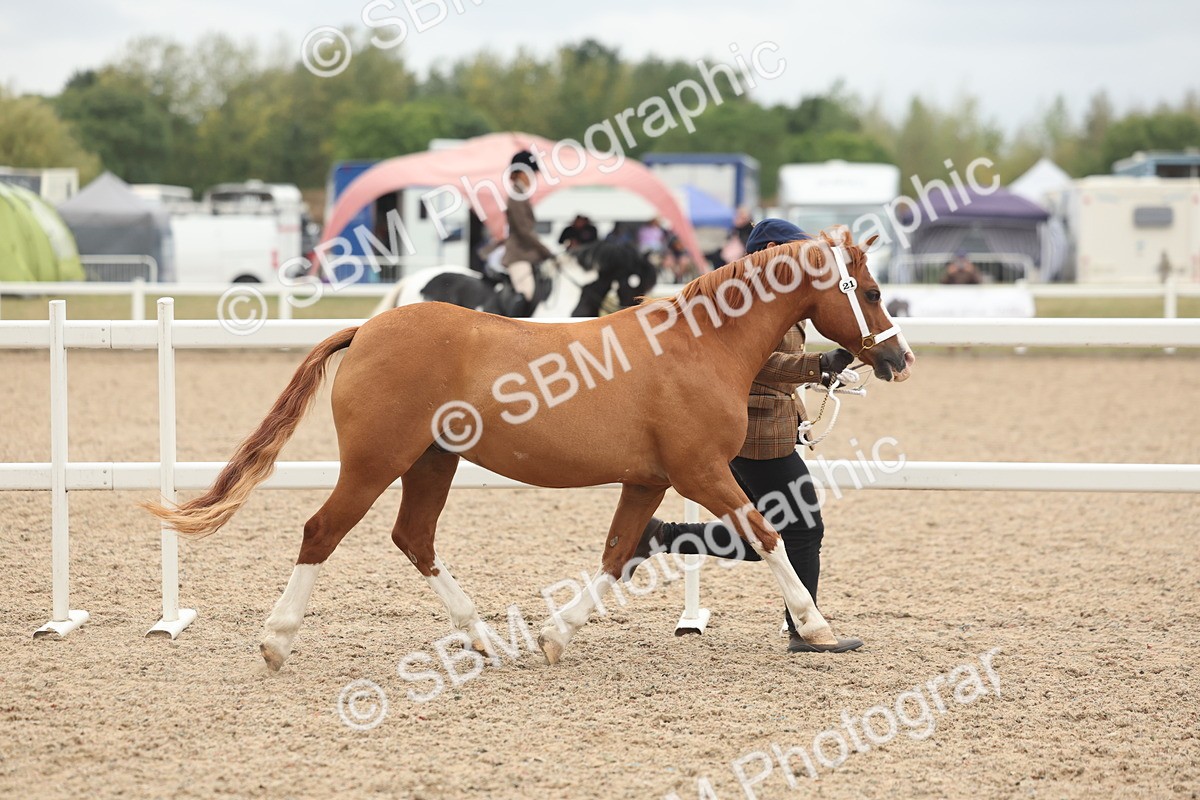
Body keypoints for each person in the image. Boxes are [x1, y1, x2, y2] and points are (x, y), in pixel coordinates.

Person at [632, 218, 865, 654]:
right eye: (796, 253)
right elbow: (761, 364)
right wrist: (817, 366)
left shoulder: (764, 296)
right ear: (772, 250)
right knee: (802, 529)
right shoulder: (743, 302)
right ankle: (803, 626)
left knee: (765, 530)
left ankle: (660, 537)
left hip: (766, 424)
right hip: (756, 432)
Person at [497, 150, 556, 316]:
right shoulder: (516, 196)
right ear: (520, 173)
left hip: (528, 255)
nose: (533, 177)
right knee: (528, 292)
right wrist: (546, 252)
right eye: (530, 173)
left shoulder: (521, 194)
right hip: (518, 256)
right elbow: (524, 232)